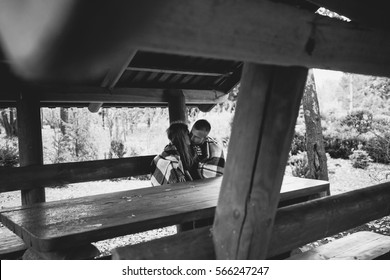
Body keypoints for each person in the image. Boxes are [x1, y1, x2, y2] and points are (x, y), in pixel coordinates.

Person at [150, 121, 196, 186]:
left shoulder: (169, 151)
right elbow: (180, 187)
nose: (190, 137)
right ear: (181, 137)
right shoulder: (173, 162)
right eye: (187, 134)